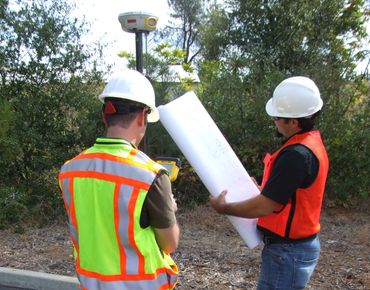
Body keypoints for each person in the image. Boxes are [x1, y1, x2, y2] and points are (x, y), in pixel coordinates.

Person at [58, 69, 180, 290]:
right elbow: (169, 243)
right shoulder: (151, 175)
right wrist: (168, 208)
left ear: (105, 116)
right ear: (143, 116)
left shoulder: (69, 171)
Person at [209, 76, 329, 290]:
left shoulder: (296, 155)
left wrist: (224, 208)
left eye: (276, 117)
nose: (273, 120)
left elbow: (265, 206)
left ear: (293, 122)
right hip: (294, 249)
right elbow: (290, 195)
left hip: (287, 253)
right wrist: (265, 190)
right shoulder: (310, 144)